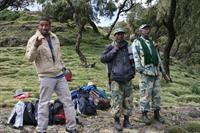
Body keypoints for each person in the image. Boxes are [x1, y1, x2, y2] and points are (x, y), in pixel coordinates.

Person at [25, 16, 78, 133]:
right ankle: (41, 129)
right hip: (46, 76)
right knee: (44, 103)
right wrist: (35, 46)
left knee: (68, 101)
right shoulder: (34, 39)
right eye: (42, 25)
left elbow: (58, 55)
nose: (44, 27)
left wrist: (63, 68)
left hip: (59, 75)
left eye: (46, 25)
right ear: (38, 26)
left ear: (50, 26)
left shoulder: (54, 37)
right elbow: (29, 58)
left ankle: (71, 127)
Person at [100, 28, 135, 131]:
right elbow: (103, 59)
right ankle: (116, 121)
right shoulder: (110, 47)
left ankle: (127, 121)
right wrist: (114, 50)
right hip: (115, 78)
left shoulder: (128, 47)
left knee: (128, 100)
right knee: (116, 100)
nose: (120, 36)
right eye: (118, 34)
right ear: (114, 36)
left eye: (122, 34)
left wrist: (133, 72)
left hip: (127, 77)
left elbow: (133, 59)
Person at [131, 24, 165, 125]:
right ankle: (144, 114)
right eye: (144, 29)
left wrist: (161, 69)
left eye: (148, 29)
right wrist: (140, 70)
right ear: (140, 31)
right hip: (145, 73)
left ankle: (157, 113)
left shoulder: (152, 42)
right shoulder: (137, 42)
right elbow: (136, 57)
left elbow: (157, 57)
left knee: (157, 94)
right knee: (145, 94)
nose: (147, 30)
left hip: (155, 72)